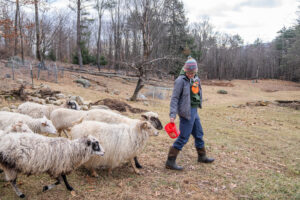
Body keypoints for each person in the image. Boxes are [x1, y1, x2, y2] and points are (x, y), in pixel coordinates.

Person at [166, 56, 214, 170]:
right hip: (186, 112)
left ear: (196, 71)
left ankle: (202, 156)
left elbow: (196, 94)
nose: (190, 75)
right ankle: (170, 161)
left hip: (194, 110)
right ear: (185, 70)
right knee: (183, 137)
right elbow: (174, 98)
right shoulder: (180, 81)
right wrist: (172, 114)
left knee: (199, 133)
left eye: (192, 72)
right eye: (188, 72)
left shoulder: (197, 79)